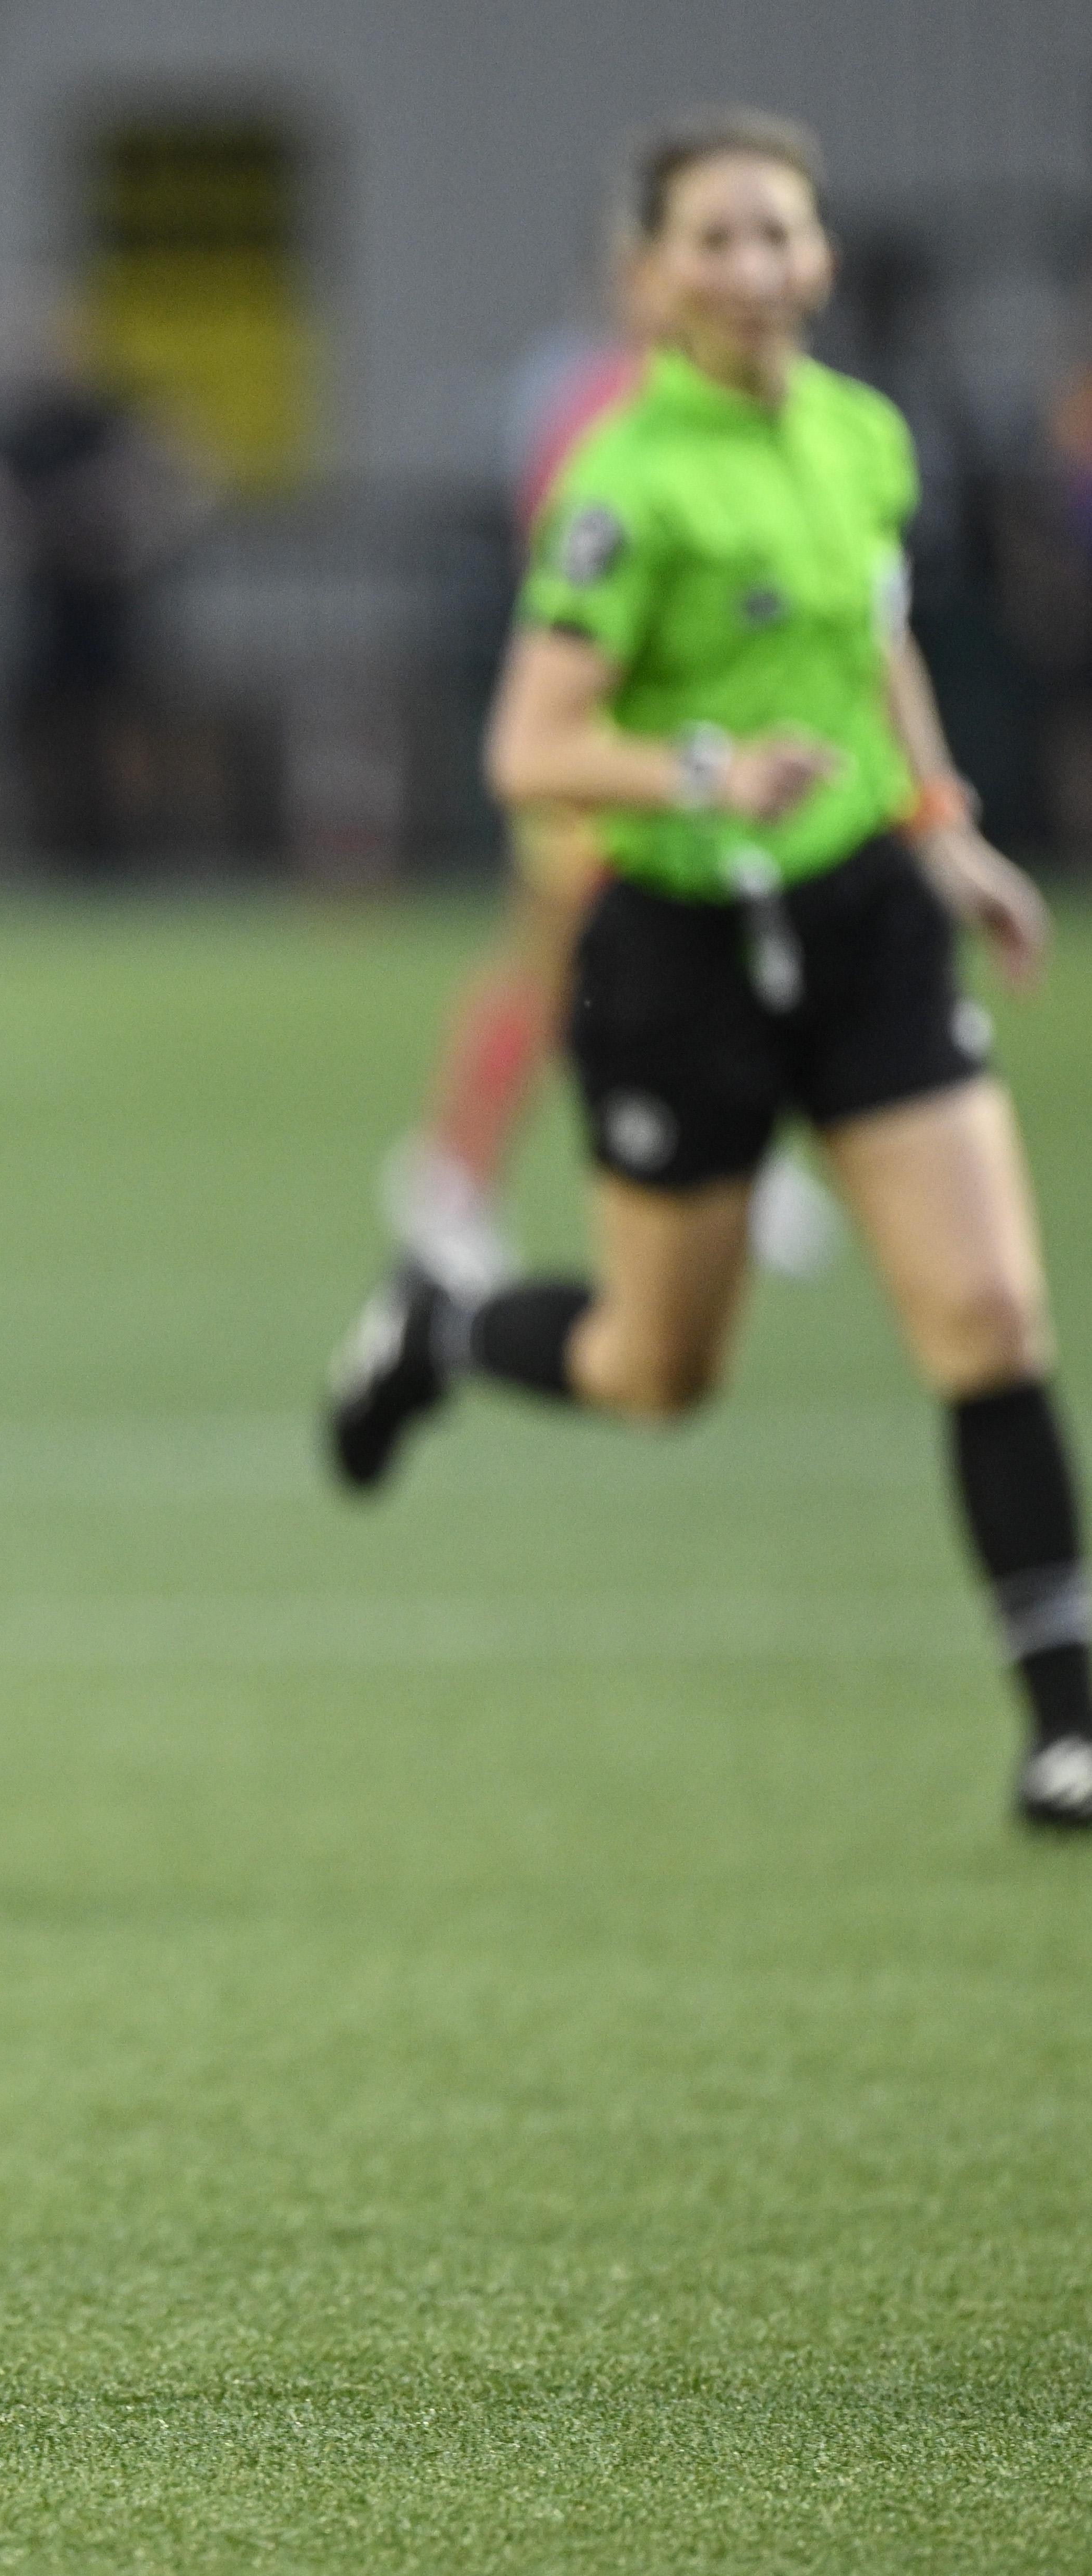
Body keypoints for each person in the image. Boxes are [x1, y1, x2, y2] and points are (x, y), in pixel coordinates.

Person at [325, 110, 1088, 1831]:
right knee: (651, 1372)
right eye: (714, 240)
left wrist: (941, 825)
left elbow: (869, 631)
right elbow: (527, 748)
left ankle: (1061, 1729)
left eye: (777, 236)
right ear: (649, 274)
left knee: (986, 1313)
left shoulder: (860, 439)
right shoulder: (622, 487)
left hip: (860, 925)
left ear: (816, 258)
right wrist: (699, 775)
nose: (751, 269)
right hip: (678, 944)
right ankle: (438, 1333)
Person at [380, 234, 840, 1295]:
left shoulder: (734, 412)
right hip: (610, 750)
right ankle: (452, 1176)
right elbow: (584, 588)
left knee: (716, 947)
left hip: (700, 750)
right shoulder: (601, 410)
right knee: (551, 963)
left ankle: (740, 1152)